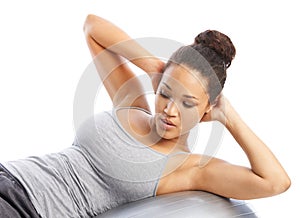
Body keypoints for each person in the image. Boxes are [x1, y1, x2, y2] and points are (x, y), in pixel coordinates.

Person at [0, 14, 290, 218]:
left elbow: (275, 181)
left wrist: (229, 116)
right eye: (165, 94)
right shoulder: (133, 103)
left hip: (26, 210)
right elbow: (93, 26)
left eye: (187, 103)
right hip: (11, 173)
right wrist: (153, 65)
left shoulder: (189, 169)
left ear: (207, 108)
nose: (169, 110)